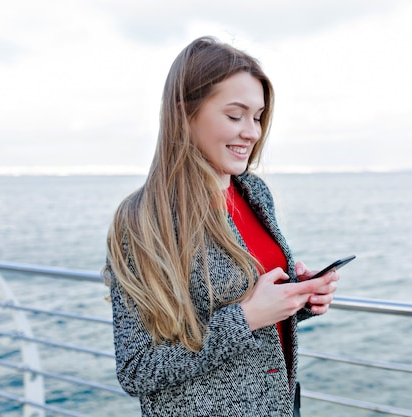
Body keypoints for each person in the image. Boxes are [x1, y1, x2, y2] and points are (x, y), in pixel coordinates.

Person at [104, 36, 339, 417]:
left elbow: (245, 311)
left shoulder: (255, 193)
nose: (253, 132)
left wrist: (296, 301)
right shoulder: (142, 219)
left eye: (259, 117)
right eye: (235, 116)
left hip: (278, 405)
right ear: (184, 113)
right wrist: (247, 318)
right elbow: (137, 369)